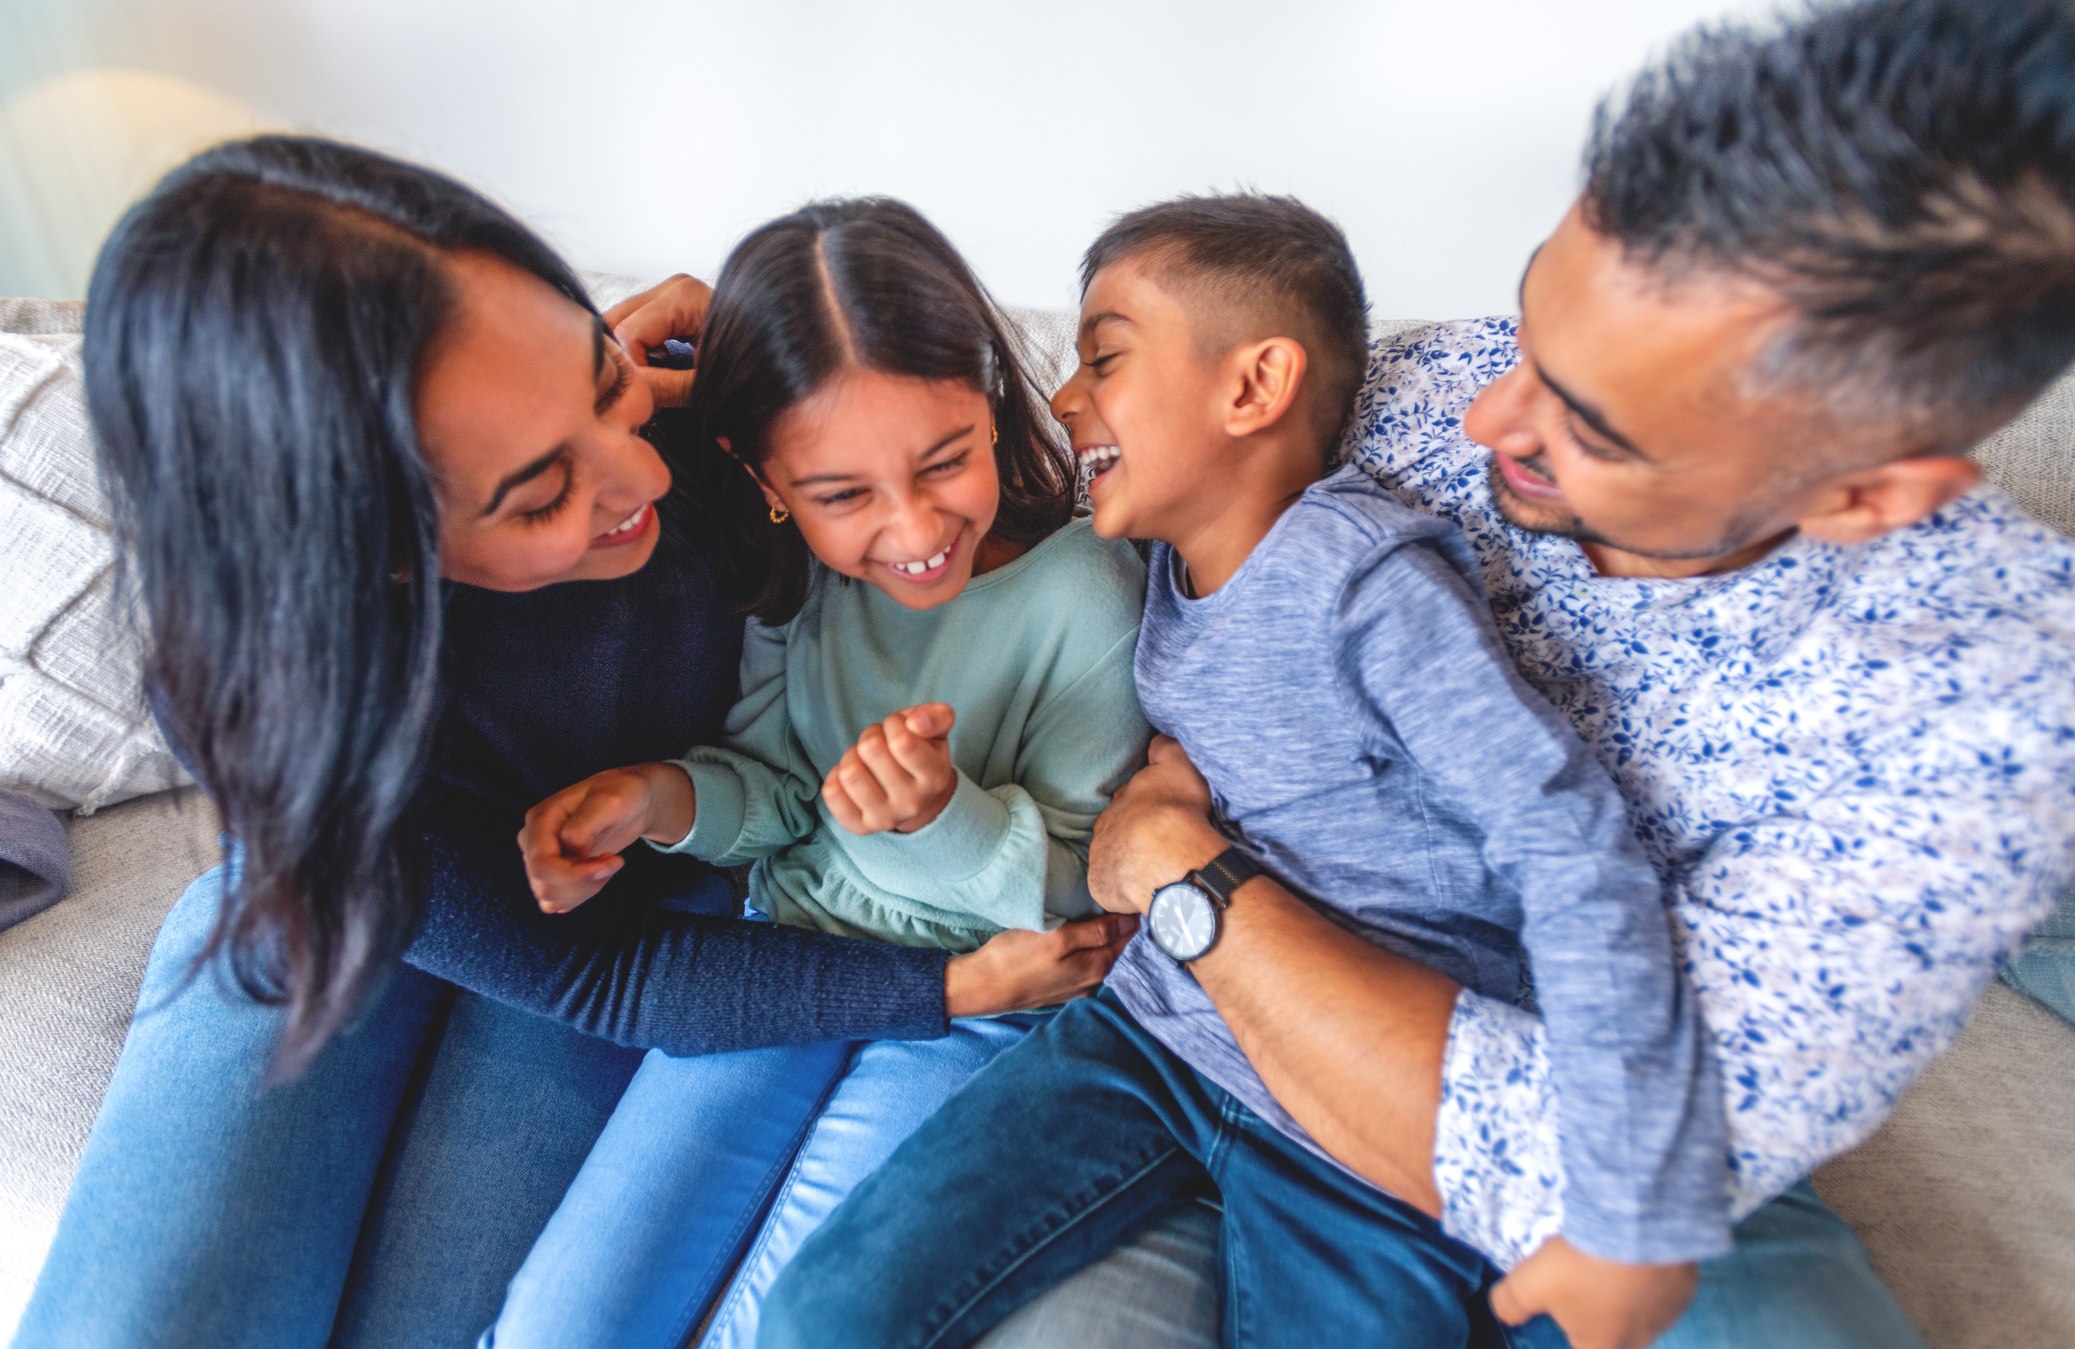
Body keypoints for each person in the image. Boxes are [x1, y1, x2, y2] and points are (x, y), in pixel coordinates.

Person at [760, 0, 2075, 1349]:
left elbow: (1595, 1104)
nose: (1484, 419)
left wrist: (1181, 869)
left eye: (1590, 424)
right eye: (1525, 324)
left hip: (1590, 1096)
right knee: (825, 1311)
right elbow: (1140, 502)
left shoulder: (2005, 692)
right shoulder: (1422, 397)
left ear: (1862, 495)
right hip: (1173, 1030)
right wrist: (730, 384)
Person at [15, 138, 1136, 1349]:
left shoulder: (741, 450)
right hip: (379, 901)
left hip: (644, 906)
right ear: (379, 551)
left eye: (605, 380)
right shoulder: (260, 686)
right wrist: (944, 986)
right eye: (542, 493)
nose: (643, 469)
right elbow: (589, 977)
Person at [759, 190, 1726, 1349]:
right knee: (824, 1312)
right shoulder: (1158, 570)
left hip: (1355, 1112)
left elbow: (1566, 835)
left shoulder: (1369, 582)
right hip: (1151, 1037)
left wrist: (1622, 1192)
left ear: (1253, 387)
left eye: (1104, 357)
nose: (1065, 401)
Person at [488, 198, 1151, 1349]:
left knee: (800, 1328)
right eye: (843, 494)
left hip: (985, 1002)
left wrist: (941, 816)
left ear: (992, 405)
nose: (912, 528)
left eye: (945, 462)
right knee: (560, 1324)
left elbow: (1090, 888)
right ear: (765, 480)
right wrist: (658, 798)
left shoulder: (1086, 591)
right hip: (790, 957)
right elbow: (776, 790)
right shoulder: (801, 583)